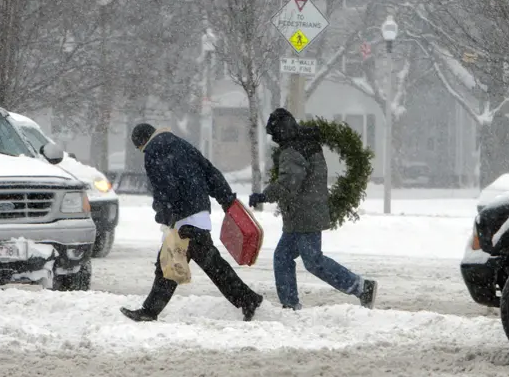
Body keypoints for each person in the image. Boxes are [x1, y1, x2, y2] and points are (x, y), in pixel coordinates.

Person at [120, 123, 263, 322]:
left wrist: (165, 215)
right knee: (173, 262)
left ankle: (248, 298)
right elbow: (210, 171)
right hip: (199, 212)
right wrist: (226, 198)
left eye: (139, 148)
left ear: (142, 142)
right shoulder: (182, 144)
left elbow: (164, 188)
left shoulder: (153, 151)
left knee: (205, 264)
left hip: (183, 216)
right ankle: (150, 311)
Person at [249, 108, 378, 310]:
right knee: (282, 257)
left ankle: (361, 287)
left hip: (304, 214)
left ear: (281, 131)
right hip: (303, 213)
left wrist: (264, 195)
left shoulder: (292, 151)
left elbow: (288, 183)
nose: (274, 139)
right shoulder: (308, 144)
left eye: (274, 134)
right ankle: (290, 304)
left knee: (313, 261)